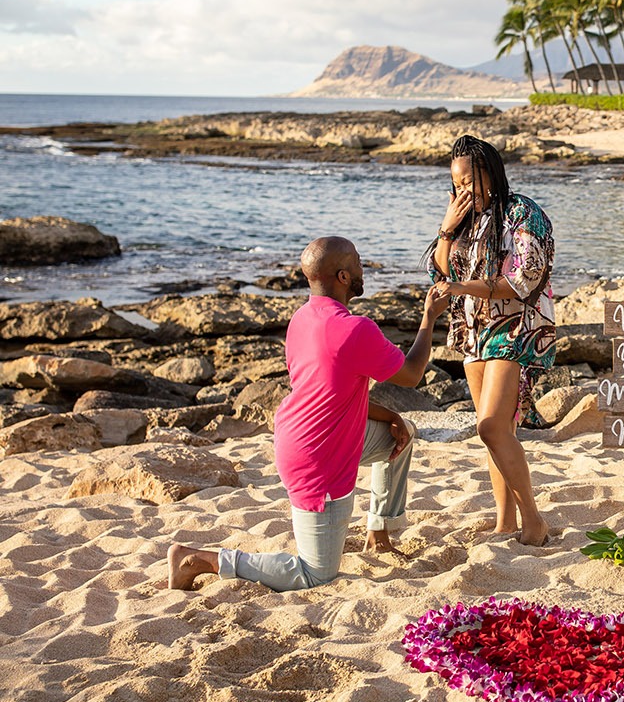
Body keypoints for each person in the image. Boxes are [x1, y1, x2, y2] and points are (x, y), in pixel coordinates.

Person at [167, 236, 449, 591]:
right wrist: (428, 318)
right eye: (359, 263)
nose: (365, 269)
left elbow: (325, 391)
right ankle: (199, 560)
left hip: (300, 435)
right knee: (315, 574)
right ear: (344, 276)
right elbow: (411, 375)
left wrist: (389, 414)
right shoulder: (356, 329)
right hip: (318, 461)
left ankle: (378, 530)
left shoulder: (301, 318)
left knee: (402, 433)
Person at [427, 134, 555, 546]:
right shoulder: (463, 219)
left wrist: (464, 289)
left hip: (515, 328)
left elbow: (523, 279)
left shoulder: (523, 212)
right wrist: (446, 230)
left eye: (469, 182)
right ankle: (505, 522)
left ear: (489, 173)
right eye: (457, 184)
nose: (463, 191)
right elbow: (439, 275)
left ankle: (533, 521)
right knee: (498, 435)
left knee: (491, 427)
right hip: (474, 331)